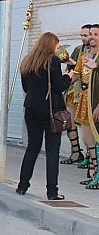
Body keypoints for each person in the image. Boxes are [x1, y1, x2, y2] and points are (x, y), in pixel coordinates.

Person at [17, 32, 73, 200]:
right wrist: (68, 77)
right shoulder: (53, 60)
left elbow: (26, 88)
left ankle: (22, 186)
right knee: (52, 151)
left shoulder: (28, 61)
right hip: (51, 111)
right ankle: (52, 192)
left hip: (31, 109)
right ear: (51, 45)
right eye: (57, 45)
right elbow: (59, 86)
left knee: (32, 148)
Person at [72, 24, 99, 188]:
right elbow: (75, 75)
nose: (92, 37)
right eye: (91, 34)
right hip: (84, 102)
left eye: (96, 34)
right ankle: (93, 172)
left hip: (96, 103)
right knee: (87, 139)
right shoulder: (84, 55)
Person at [60, 24, 91, 165]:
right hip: (74, 90)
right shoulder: (79, 49)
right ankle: (76, 152)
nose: (83, 38)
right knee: (70, 121)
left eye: (86, 35)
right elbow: (72, 71)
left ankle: (91, 158)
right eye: (82, 35)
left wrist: (74, 64)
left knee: (88, 125)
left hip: (88, 92)